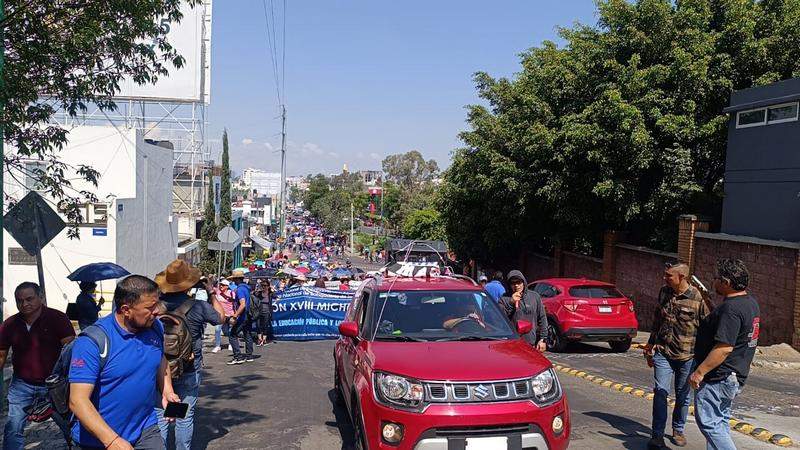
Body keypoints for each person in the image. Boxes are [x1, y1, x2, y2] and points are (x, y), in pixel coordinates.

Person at [69, 275, 180, 450]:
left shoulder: (154, 326)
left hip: (146, 428)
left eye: (157, 304)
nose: (157, 311)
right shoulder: (92, 342)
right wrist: (112, 441)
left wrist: (167, 390)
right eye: (150, 307)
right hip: (97, 440)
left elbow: (160, 358)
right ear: (126, 310)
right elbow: (77, 400)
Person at [689, 259, 760, 450]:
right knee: (719, 423)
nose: (714, 282)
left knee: (710, 425)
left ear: (726, 282)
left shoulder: (731, 309)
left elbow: (724, 348)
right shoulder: (749, 303)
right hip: (733, 374)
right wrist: (712, 307)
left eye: (716, 278)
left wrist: (699, 372)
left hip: (719, 377)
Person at [155, 261, 224, 450]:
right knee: (183, 416)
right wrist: (211, 291)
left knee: (161, 415)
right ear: (189, 284)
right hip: (189, 367)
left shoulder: (156, 306)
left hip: (160, 369)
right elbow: (220, 318)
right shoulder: (198, 306)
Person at [1, 282, 75, 450]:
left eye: (29, 299)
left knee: (68, 425)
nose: (24, 304)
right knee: (13, 428)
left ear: (40, 297)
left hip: (54, 385)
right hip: (22, 384)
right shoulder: (10, 324)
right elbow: (1, 353)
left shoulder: (57, 318)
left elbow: (70, 351)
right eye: (20, 300)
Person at [643, 263, 709, 449]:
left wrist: (702, 361)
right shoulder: (664, 292)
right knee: (660, 392)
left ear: (682, 277)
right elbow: (657, 319)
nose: (665, 278)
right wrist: (650, 344)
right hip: (663, 352)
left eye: (669, 276)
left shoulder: (698, 297)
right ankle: (657, 435)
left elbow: (707, 328)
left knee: (682, 396)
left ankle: (678, 429)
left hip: (687, 356)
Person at [499, 271, 547, 352]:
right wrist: (511, 303)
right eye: (513, 283)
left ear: (523, 282)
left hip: (530, 342)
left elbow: (542, 318)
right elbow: (501, 320)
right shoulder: (504, 299)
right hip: (511, 343)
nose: (516, 285)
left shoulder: (534, 297)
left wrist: (543, 339)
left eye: (518, 282)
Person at [226, 269, 254, 365]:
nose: (233, 281)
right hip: (248, 315)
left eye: (234, 279)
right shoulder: (246, 288)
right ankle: (249, 355)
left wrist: (235, 315)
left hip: (242, 316)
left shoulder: (240, 289)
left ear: (237, 279)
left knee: (232, 335)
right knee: (247, 334)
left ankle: (238, 357)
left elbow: (242, 304)